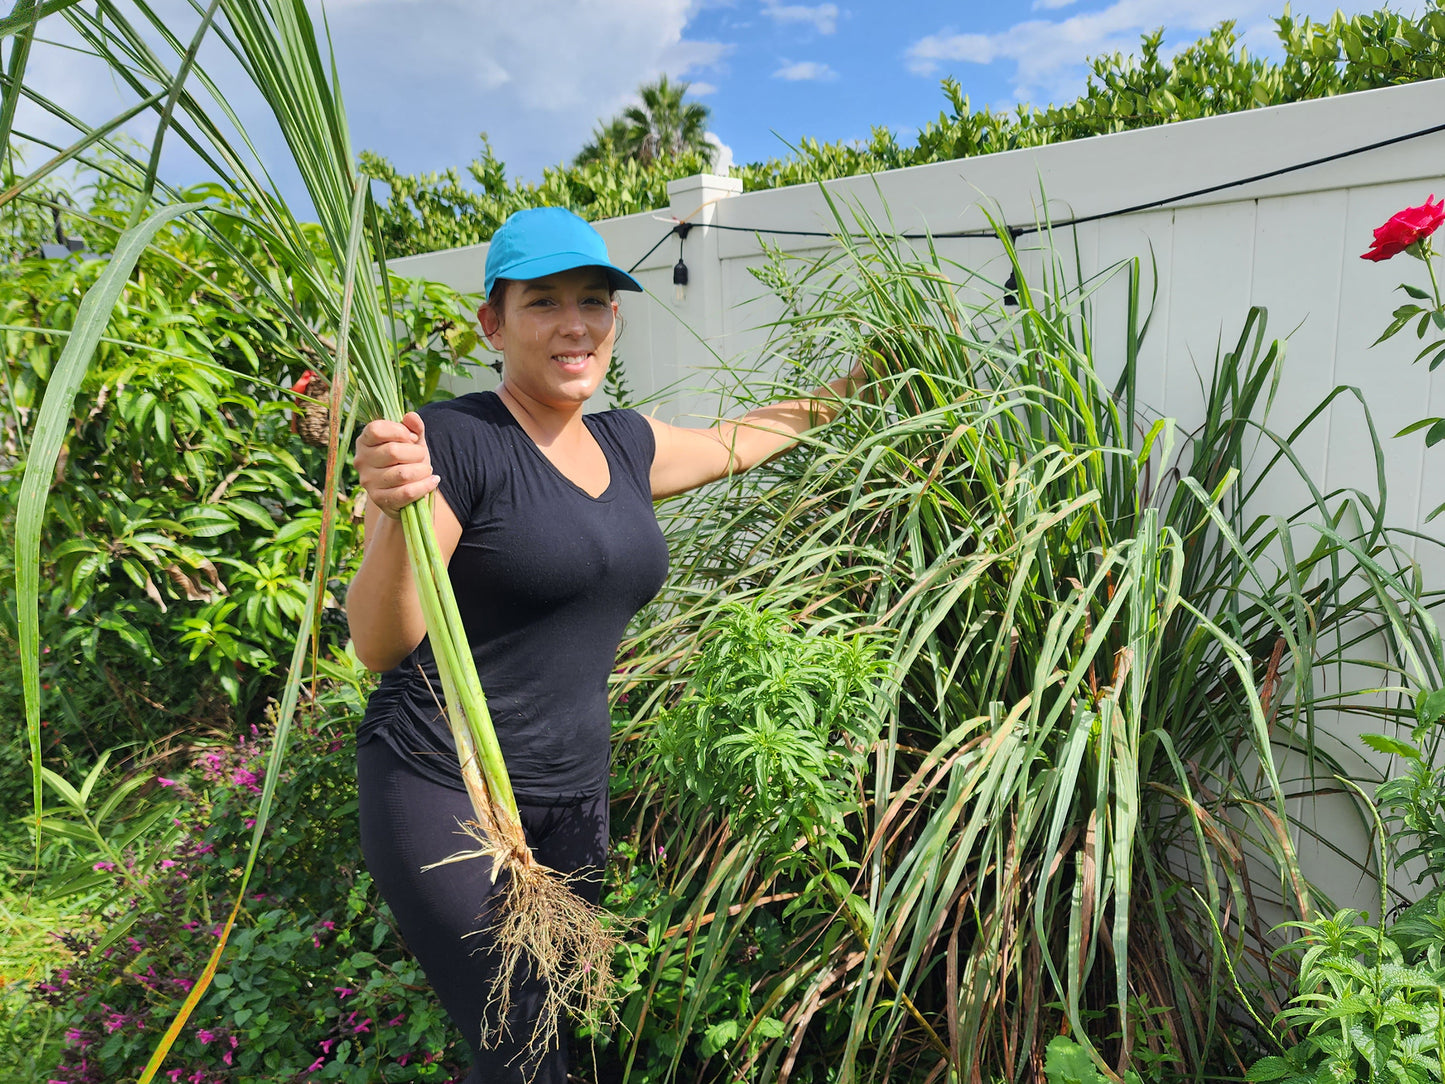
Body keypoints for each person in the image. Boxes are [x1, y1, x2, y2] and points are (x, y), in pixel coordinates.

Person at [348, 206, 861, 1083]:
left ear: (616, 319)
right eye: (542, 303)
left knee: (559, 1041)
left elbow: (738, 440)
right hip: (446, 782)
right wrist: (395, 515)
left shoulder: (625, 442)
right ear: (493, 324)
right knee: (523, 1050)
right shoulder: (457, 443)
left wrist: (853, 389)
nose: (574, 323)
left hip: (572, 795)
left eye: (594, 300)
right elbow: (381, 642)